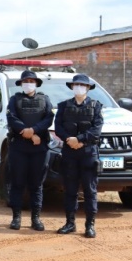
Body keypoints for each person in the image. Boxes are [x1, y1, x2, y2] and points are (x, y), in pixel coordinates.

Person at [54, 74, 103, 238]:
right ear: (72, 87)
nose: (79, 87)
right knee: (70, 190)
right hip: (69, 152)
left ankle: (90, 225)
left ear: (88, 88)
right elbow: (58, 127)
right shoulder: (63, 106)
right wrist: (69, 139)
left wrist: (80, 140)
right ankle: (70, 223)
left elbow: (97, 129)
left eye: (82, 85)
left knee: (90, 191)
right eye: (76, 85)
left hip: (88, 152)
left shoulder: (96, 106)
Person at [5, 70, 54, 231]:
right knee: (17, 183)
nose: (28, 83)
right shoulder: (14, 100)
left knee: (36, 184)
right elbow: (12, 118)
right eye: (25, 81)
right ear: (21, 83)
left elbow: (48, 119)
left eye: (31, 81)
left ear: (36, 83)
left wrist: (33, 130)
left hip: (39, 147)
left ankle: (36, 218)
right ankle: (16, 217)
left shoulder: (45, 99)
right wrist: (28, 133)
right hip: (19, 146)